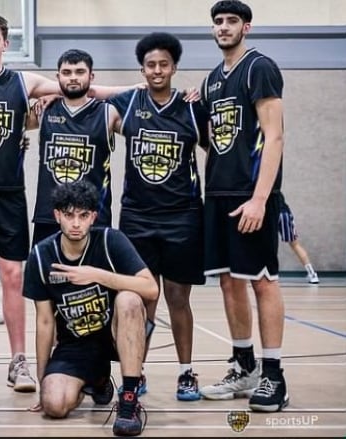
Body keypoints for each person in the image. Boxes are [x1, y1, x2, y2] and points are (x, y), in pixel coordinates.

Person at [0, 13, 135, 393]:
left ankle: (18, 361)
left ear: (5, 44)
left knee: (12, 278)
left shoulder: (24, 82)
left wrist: (138, 87)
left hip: (10, 194)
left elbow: (81, 89)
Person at [108, 32, 209, 401]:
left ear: (174, 67)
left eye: (164, 64)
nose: (157, 70)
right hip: (137, 217)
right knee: (142, 300)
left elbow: (218, 146)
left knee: (179, 299)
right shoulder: (130, 102)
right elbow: (89, 95)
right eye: (150, 65)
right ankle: (138, 372)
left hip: (183, 216)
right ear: (142, 68)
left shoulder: (191, 107)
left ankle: (186, 373)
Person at [198, 0, 289, 412]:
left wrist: (260, 198)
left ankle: (274, 375)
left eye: (231, 21)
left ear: (246, 27)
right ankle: (244, 364)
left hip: (251, 195)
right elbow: (214, 139)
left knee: (262, 280)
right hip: (217, 194)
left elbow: (275, 136)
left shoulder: (259, 67)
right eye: (218, 21)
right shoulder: (213, 79)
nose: (223, 27)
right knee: (229, 281)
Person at [23, 180, 158, 437]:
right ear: (57, 216)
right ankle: (96, 379)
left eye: (83, 216)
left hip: (117, 335)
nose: (76, 223)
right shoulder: (41, 256)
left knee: (129, 299)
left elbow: (151, 288)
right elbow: (44, 322)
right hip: (76, 344)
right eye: (69, 215)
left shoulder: (111, 241)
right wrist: (42, 380)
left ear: (93, 217)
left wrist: (97, 275)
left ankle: (129, 400)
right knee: (54, 405)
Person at [27, 49, 117, 245]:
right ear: (58, 77)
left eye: (79, 72)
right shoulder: (43, 110)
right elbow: (7, 119)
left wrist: (182, 96)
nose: (73, 77)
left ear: (91, 76)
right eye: (67, 73)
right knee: (45, 275)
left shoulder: (109, 113)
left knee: (93, 276)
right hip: (50, 214)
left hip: (93, 216)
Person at [278, 193, 319, 284]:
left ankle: (267, 275)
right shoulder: (277, 189)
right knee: (295, 245)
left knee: (265, 245)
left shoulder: (258, 188)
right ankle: (312, 274)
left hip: (271, 214)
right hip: (285, 213)